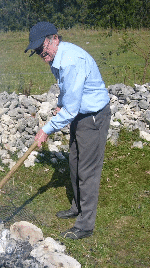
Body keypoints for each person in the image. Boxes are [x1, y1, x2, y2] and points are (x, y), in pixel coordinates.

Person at [25, 22, 111, 240]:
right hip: (80, 115)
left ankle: (85, 225)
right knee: (74, 164)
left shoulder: (71, 60)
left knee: (87, 171)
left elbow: (72, 107)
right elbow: (67, 88)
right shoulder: (57, 59)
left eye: (41, 48)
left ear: (54, 39)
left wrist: (45, 130)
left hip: (93, 116)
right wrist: (61, 101)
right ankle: (77, 207)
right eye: (36, 50)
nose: (39, 53)